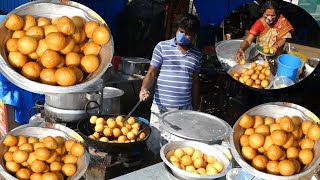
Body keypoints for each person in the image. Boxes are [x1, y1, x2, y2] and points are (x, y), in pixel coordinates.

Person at [139, 14, 202, 131]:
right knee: (156, 142)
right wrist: (144, 88)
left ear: (194, 36)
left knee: (177, 145)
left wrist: (195, 108)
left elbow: (195, 82)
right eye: (181, 31)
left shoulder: (197, 54)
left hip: (184, 108)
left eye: (188, 34)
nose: (183, 36)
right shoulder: (162, 47)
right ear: (177, 30)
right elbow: (152, 73)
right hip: (161, 107)